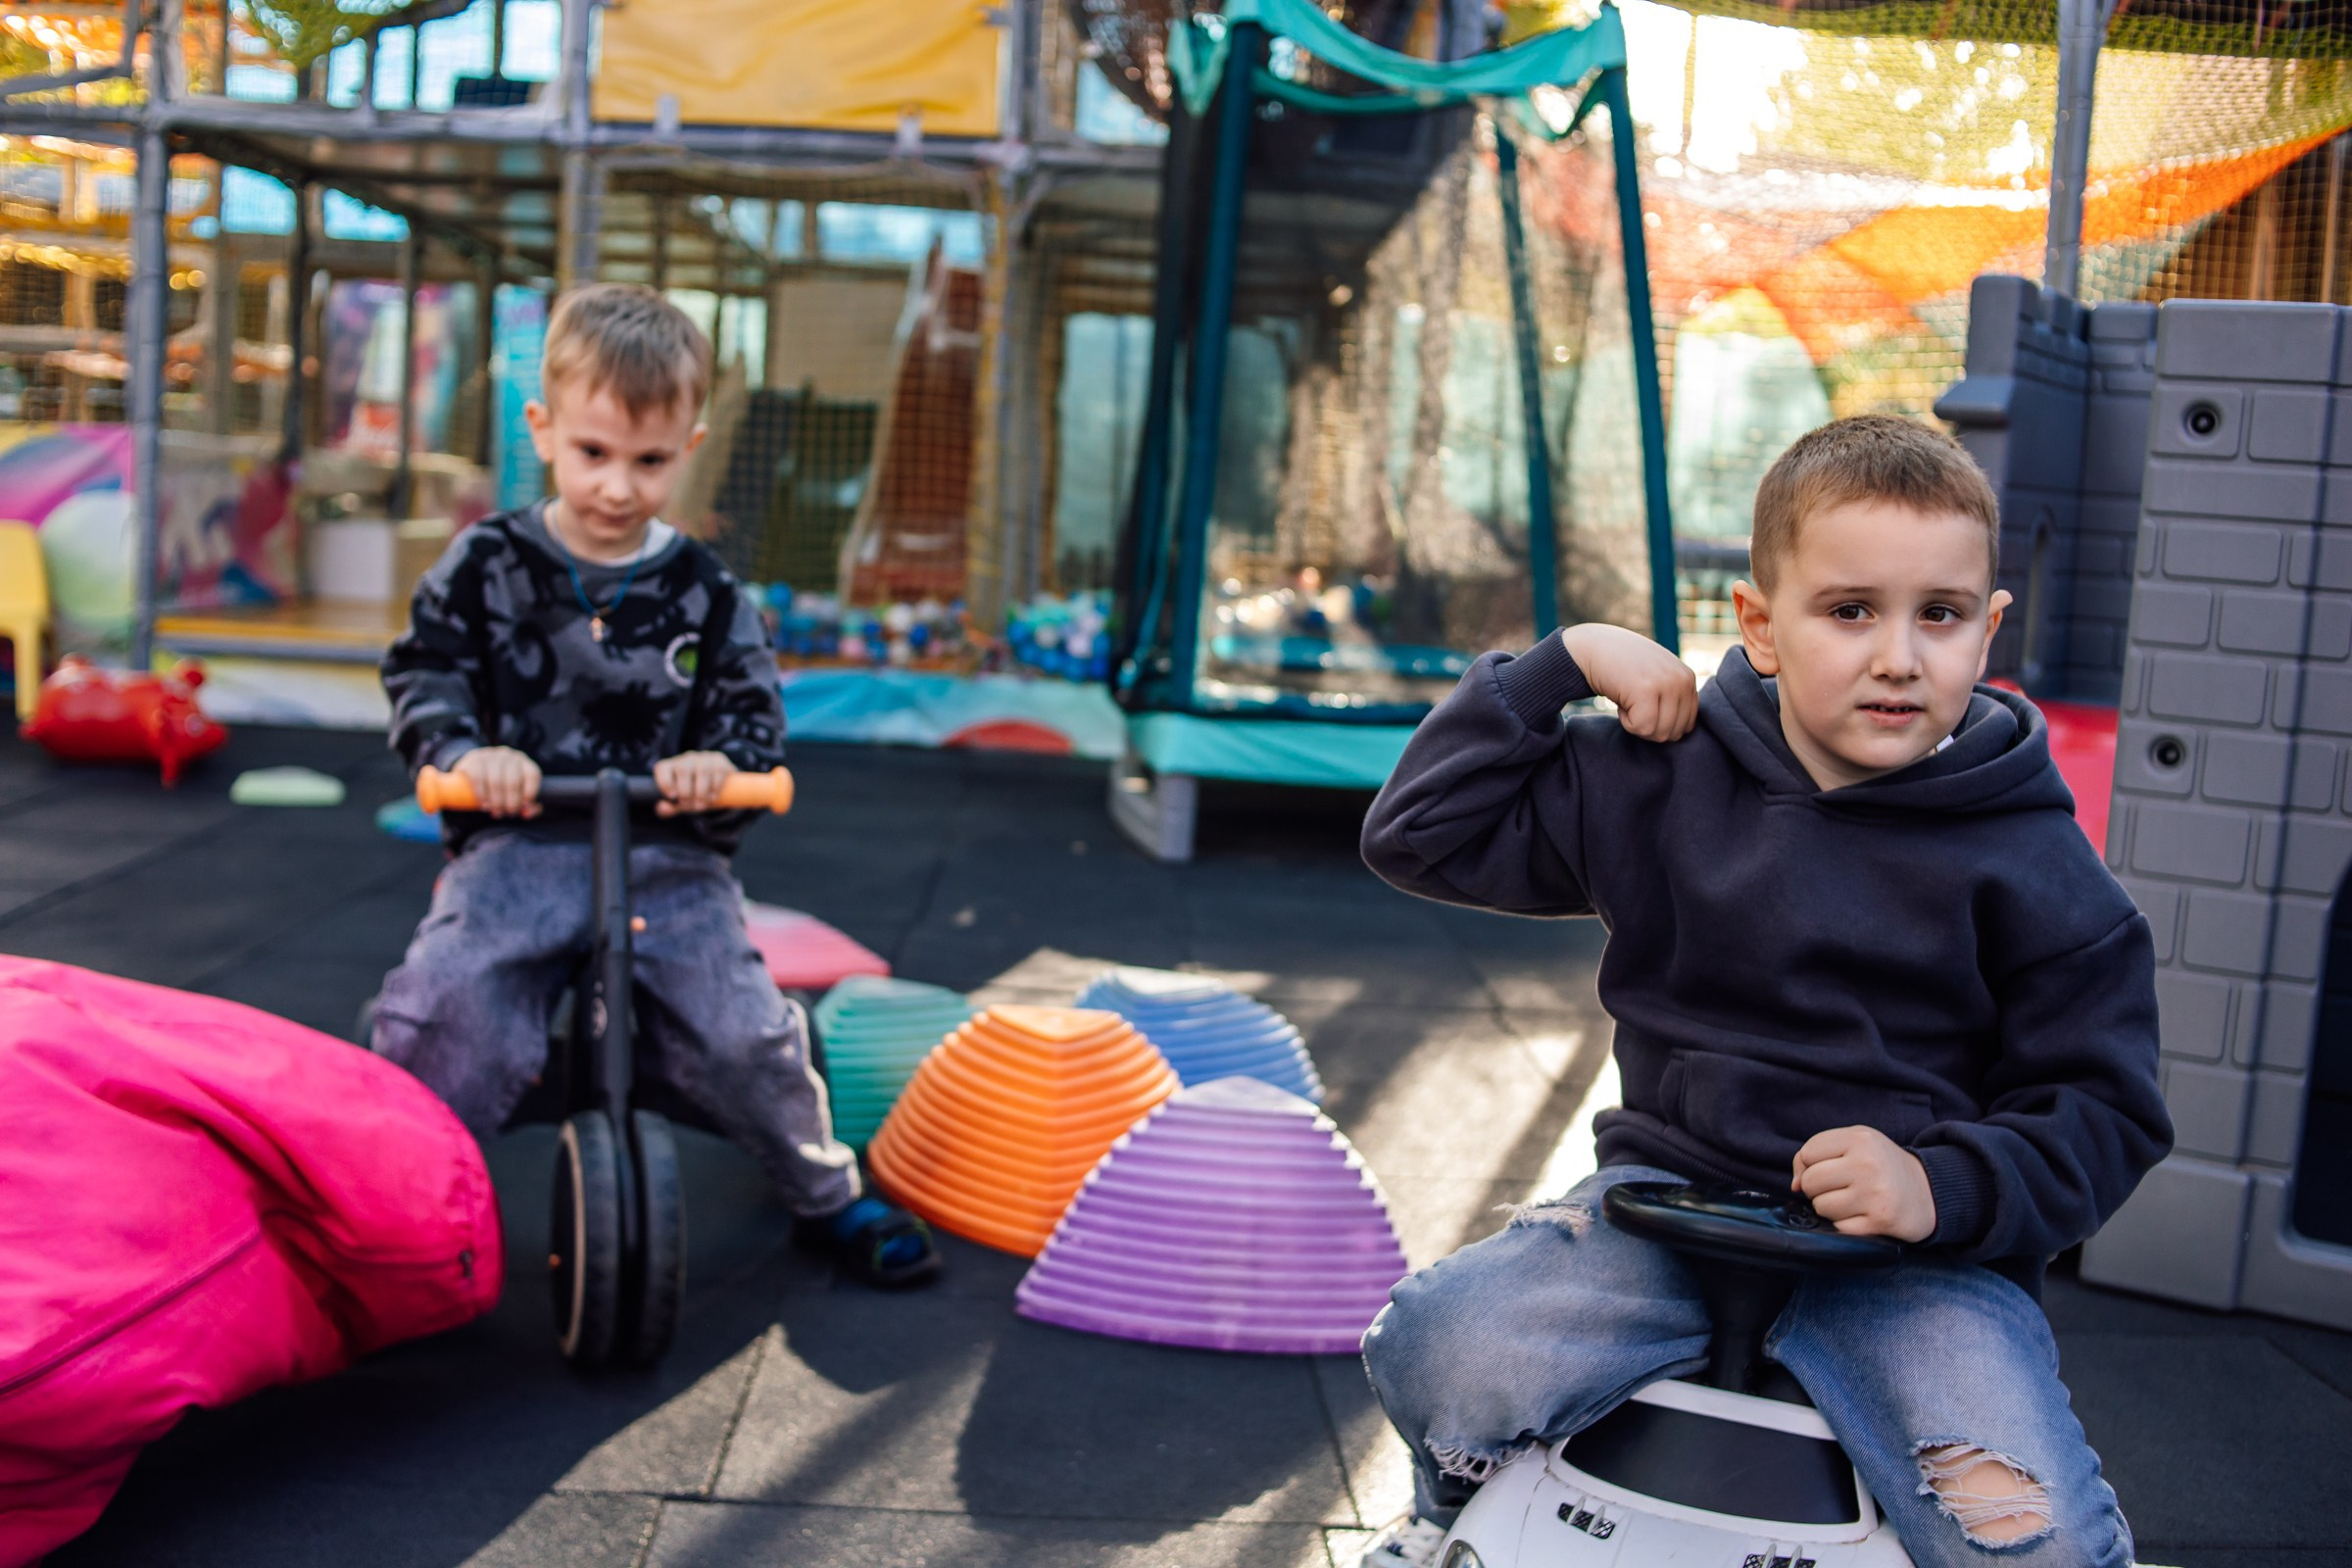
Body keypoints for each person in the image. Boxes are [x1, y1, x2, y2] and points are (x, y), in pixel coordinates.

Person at [1353, 416, 2171, 1568]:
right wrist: (1564, 664)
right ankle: (1443, 1517)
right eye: (1850, 611)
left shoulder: (2039, 867)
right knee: (1441, 1342)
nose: (1898, 655)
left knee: (2030, 1540)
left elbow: (2107, 1111)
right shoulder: (1665, 777)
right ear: (1760, 624)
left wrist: (1939, 1184)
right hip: (1664, 1216)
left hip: (1912, 1270)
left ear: (1987, 631)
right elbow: (1418, 837)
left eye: (1938, 615)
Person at [371, 283, 940, 1289]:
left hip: (667, 858)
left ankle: (825, 1190)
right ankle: (376, 1208)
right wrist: (462, 755)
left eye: (651, 461)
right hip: (522, 847)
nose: (620, 489)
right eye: (594, 454)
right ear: (542, 430)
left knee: (746, 1030)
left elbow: (752, 716)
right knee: (444, 1005)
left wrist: (723, 764)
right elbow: (427, 670)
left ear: (692, 444)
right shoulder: (487, 564)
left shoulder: (709, 594)